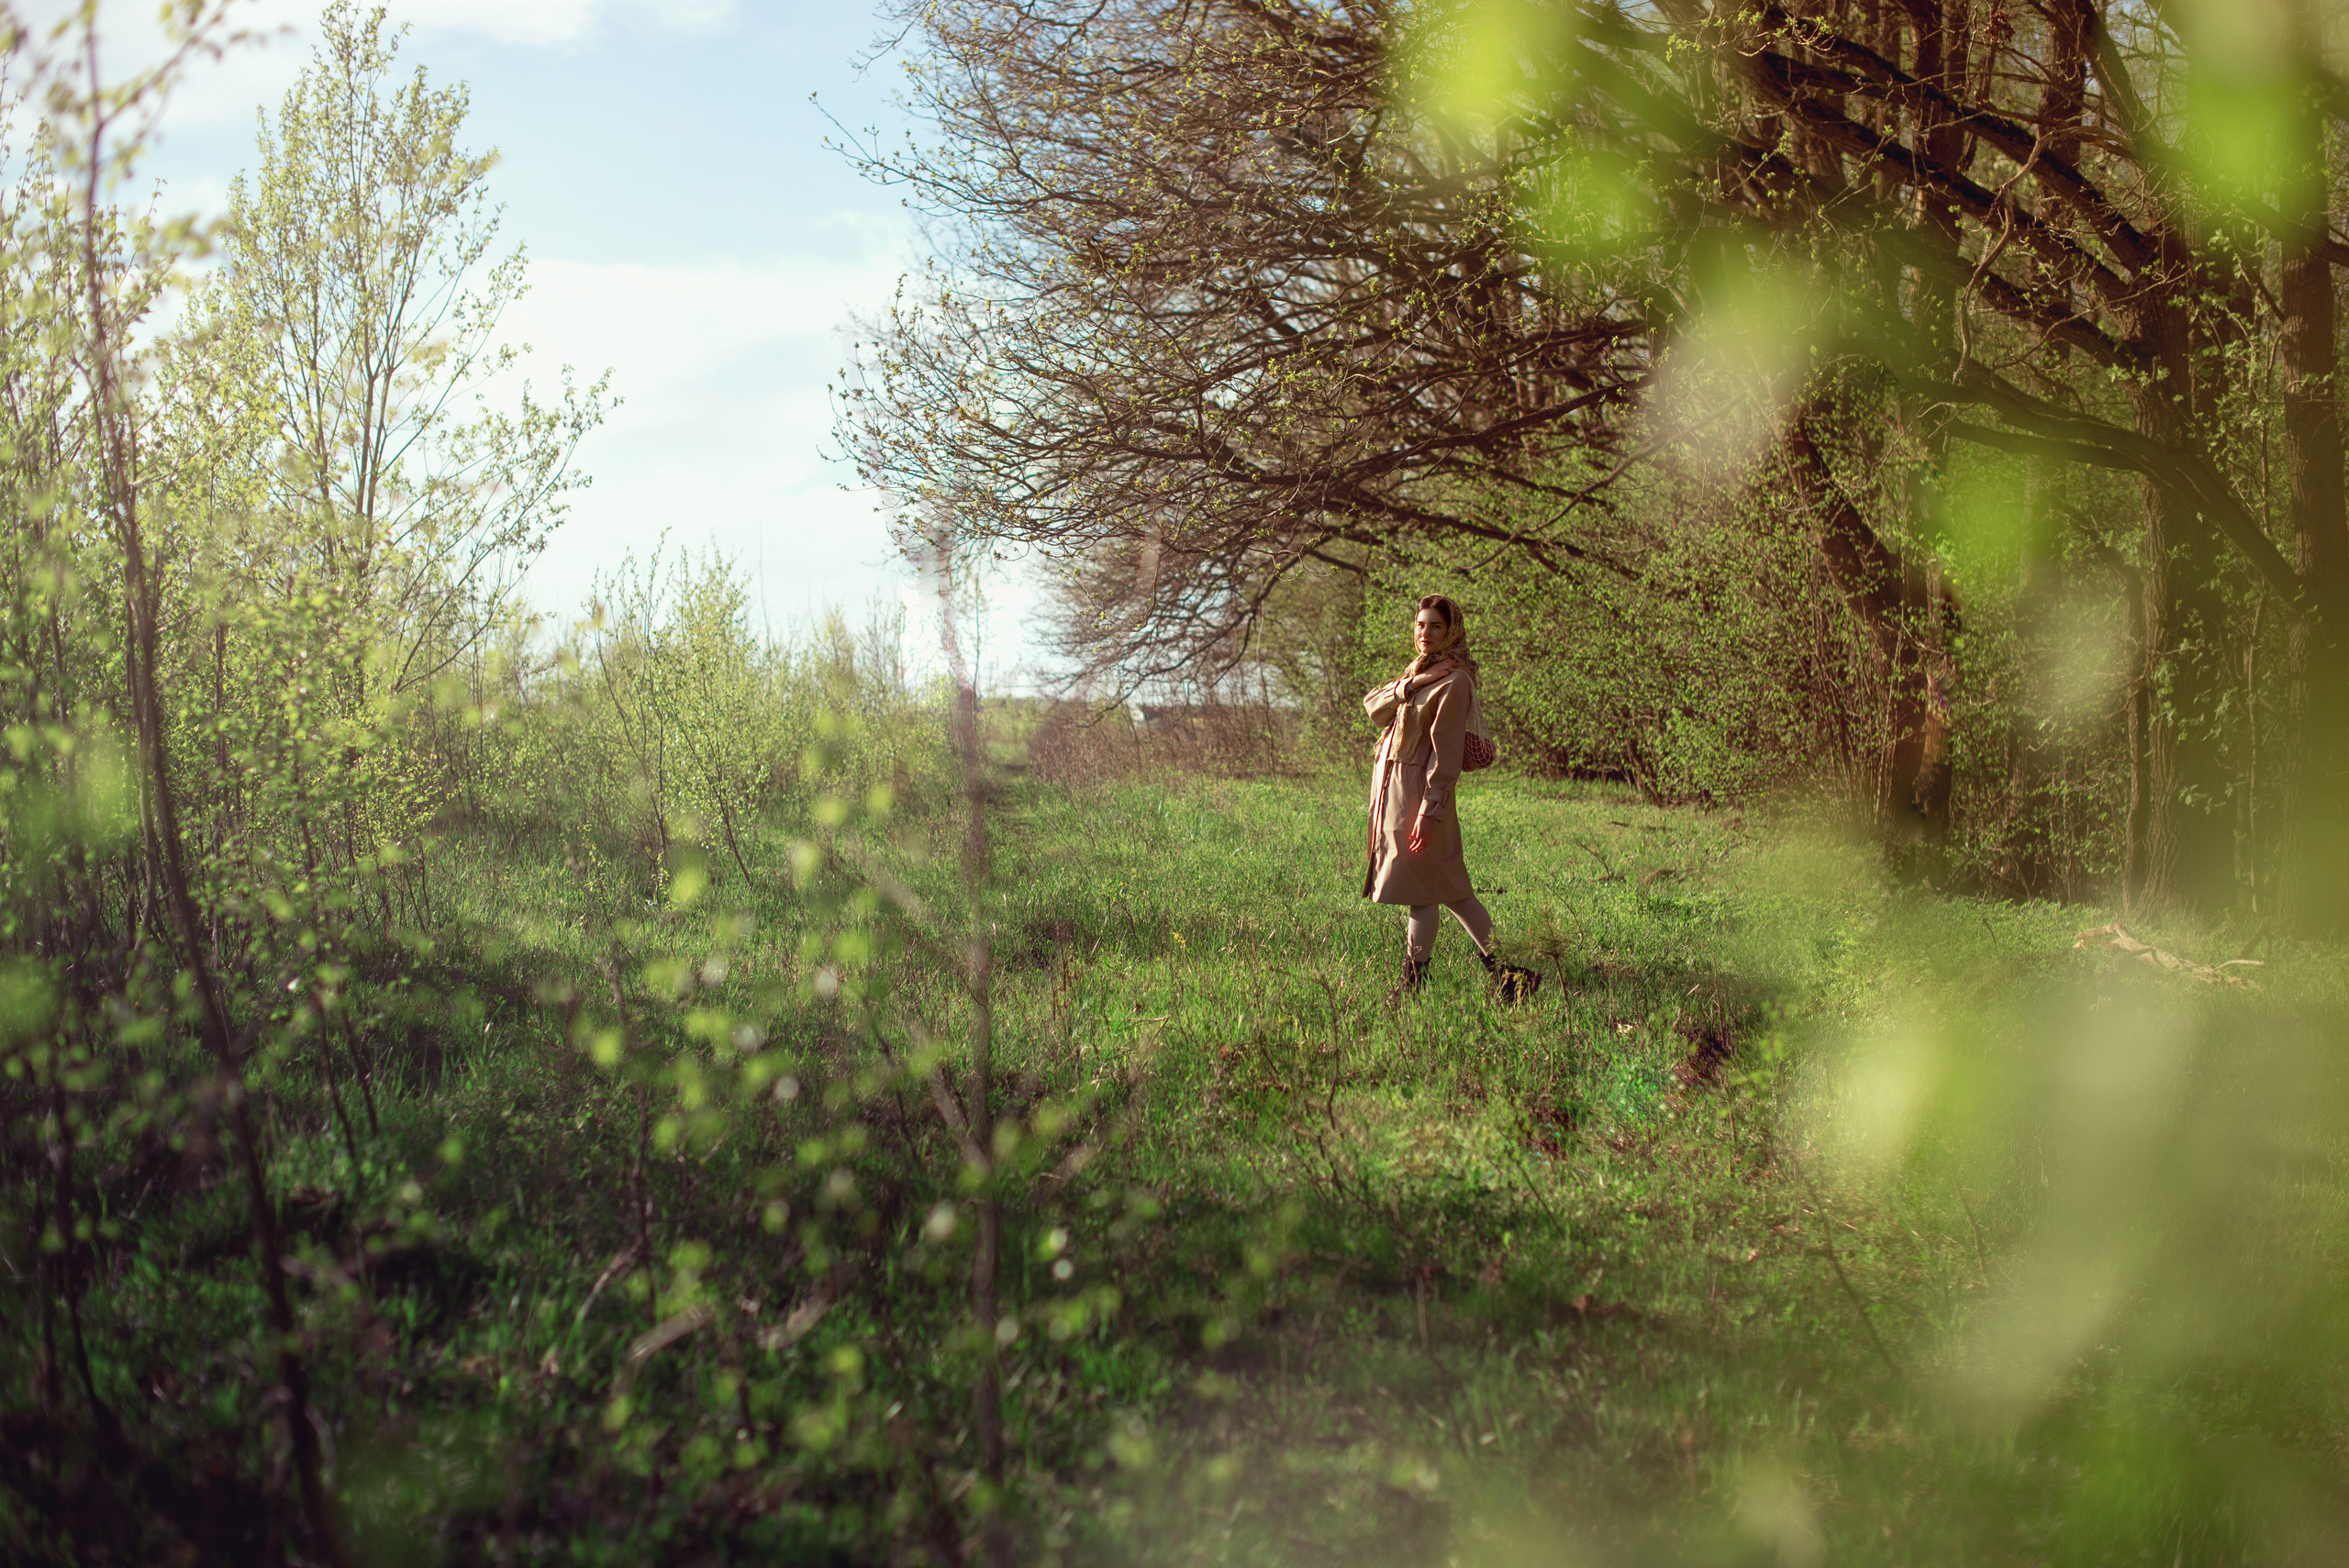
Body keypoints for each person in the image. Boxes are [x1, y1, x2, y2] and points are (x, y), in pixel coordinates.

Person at [1362, 595, 1539, 1002]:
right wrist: (1416, 682)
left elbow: (1446, 757)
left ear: (1451, 630)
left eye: (1435, 626)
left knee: (1422, 893)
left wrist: (1430, 810)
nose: (1425, 633)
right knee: (1452, 891)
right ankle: (1512, 978)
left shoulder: (1455, 681)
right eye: (1420, 624)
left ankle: (1412, 986)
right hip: (1396, 795)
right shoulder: (1418, 672)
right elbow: (1374, 708)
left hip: (1420, 799)